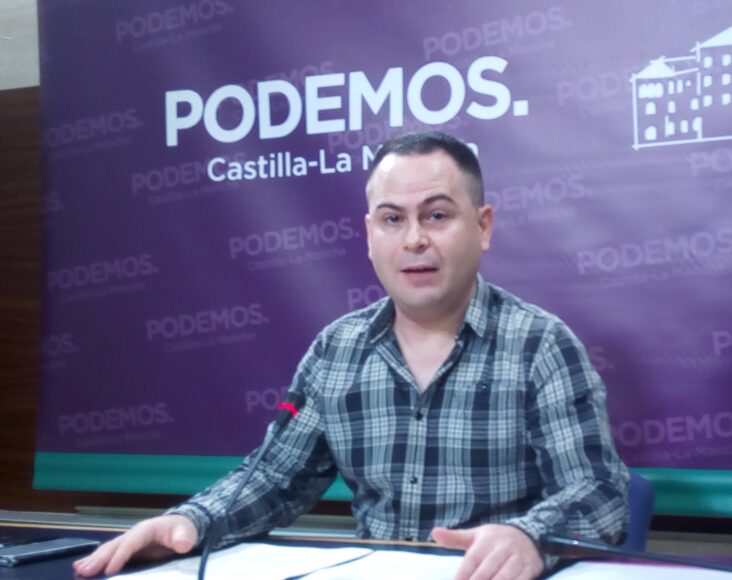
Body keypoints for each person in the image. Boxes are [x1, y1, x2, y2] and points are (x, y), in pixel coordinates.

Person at [73, 131, 630, 579]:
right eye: (392, 219)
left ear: (482, 226)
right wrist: (189, 523)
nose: (413, 240)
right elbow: (275, 478)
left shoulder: (540, 345)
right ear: (369, 235)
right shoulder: (337, 350)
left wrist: (529, 537)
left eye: (437, 216)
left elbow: (599, 492)